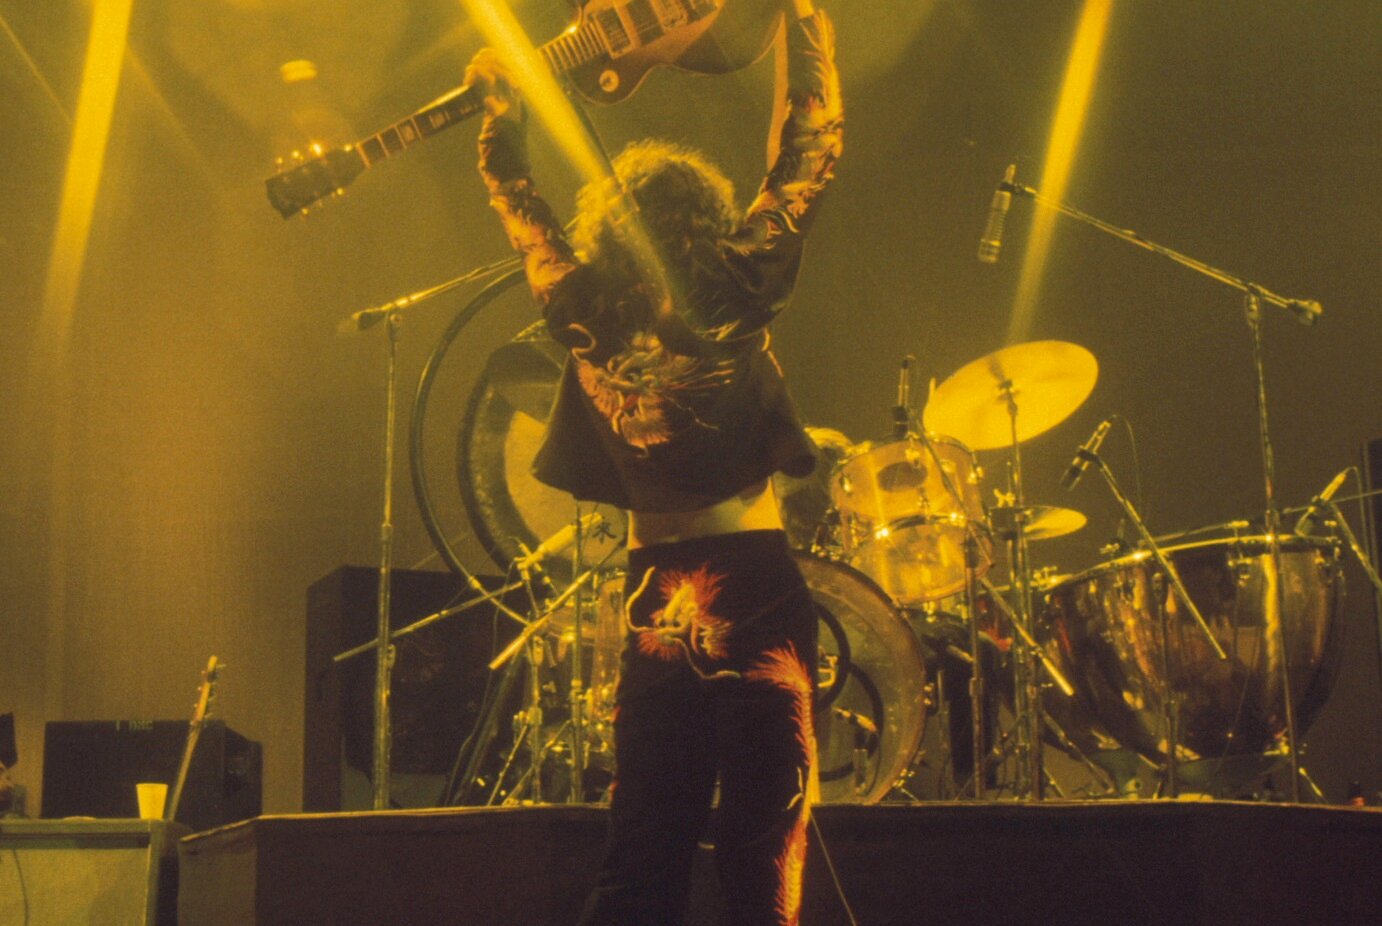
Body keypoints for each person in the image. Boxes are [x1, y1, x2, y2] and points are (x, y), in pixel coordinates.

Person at [467, 0, 841, 921]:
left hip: (655, 599)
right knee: (764, 854)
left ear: (610, 229)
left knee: (642, 852)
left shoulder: (578, 306)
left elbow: (516, 202)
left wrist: (500, 120)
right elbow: (809, 151)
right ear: (708, 221)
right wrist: (805, 19)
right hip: (752, 586)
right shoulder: (739, 282)